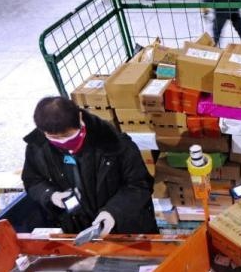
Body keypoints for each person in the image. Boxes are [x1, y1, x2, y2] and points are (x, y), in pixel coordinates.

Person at [22, 97, 157, 236]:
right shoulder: (37, 148)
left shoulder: (117, 145)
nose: (62, 142)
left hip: (125, 228)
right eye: (53, 137)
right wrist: (51, 195)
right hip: (77, 229)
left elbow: (139, 185)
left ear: (80, 118)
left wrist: (113, 212)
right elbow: (33, 181)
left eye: (67, 135)